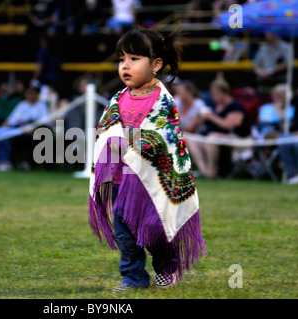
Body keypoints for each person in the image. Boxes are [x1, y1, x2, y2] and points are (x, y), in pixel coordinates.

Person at [88, 29, 206, 291]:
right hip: (124, 177)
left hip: (153, 181)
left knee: (156, 228)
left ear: (156, 64)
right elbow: (106, 129)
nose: (125, 65)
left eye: (134, 58)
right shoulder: (119, 98)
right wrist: (112, 139)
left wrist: (133, 141)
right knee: (124, 230)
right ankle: (133, 277)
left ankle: (167, 265)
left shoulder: (163, 101)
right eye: (122, 59)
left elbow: (166, 135)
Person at [188, 79, 252, 178]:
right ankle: (203, 171)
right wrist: (200, 117)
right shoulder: (215, 107)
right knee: (191, 139)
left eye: (215, 94)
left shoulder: (235, 107)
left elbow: (229, 125)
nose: (213, 97)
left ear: (224, 93)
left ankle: (211, 171)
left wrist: (211, 116)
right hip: (214, 137)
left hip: (238, 138)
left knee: (212, 137)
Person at [0, 84, 49, 172]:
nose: (29, 95)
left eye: (32, 93)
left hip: (24, 131)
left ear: (37, 94)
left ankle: (5, 161)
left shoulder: (41, 106)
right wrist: (4, 126)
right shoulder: (22, 104)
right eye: (28, 93)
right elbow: (10, 119)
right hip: (12, 128)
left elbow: (44, 123)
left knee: (4, 135)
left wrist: (33, 130)